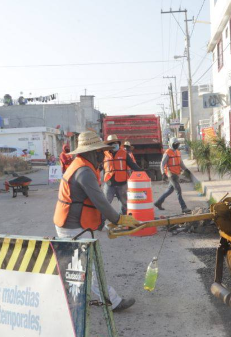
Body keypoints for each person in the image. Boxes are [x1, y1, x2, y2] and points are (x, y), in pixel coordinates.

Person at [53, 131, 141, 311]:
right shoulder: (84, 172)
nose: (103, 156)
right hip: (72, 226)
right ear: (90, 153)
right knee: (89, 267)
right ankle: (112, 302)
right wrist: (117, 219)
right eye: (99, 152)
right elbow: (100, 201)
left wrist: (103, 225)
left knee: (77, 266)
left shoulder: (82, 166)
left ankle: (71, 300)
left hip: (73, 224)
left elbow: (90, 203)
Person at [102, 134, 142, 215]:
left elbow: (132, 165)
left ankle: (125, 221)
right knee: (105, 205)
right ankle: (100, 224)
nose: (115, 144)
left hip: (122, 184)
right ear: (108, 145)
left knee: (125, 204)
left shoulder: (124, 153)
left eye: (116, 143)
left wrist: (142, 172)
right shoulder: (104, 154)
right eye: (112, 143)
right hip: (109, 184)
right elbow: (97, 166)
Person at [154, 138, 189, 213]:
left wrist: (186, 169)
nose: (176, 145)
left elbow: (181, 163)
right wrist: (163, 173)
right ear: (171, 144)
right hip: (171, 174)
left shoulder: (178, 152)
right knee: (178, 190)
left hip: (176, 174)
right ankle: (184, 208)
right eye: (175, 144)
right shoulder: (167, 153)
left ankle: (158, 202)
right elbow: (162, 164)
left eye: (177, 144)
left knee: (170, 190)